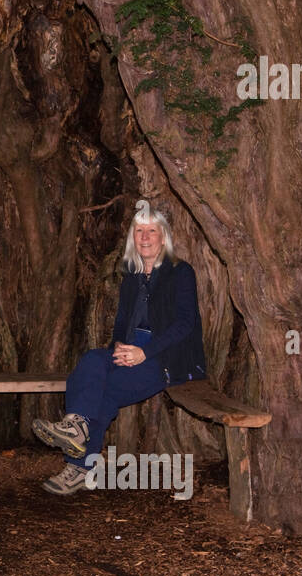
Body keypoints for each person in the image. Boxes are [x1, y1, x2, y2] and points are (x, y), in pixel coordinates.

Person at [33, 201, 208, 496]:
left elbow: (185, 324)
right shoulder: (132, 276)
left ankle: (79, 467)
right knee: (91, 361)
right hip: (131, 350)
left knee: (107, 390)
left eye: (151, 230)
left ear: (163, 237)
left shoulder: (180, 272)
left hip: (165, 357)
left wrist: (144, 353)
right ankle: (76, 427)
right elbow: (122, 323)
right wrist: (119, 348)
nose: (145, 237)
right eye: (139, 231)